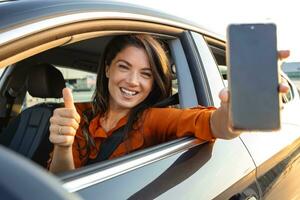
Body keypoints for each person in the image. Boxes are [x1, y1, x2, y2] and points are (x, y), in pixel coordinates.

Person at [48, 34, 289, 173]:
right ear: (108, 68)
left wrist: (238, 111)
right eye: (124, 67)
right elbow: (60, 185)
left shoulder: (153, 118)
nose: (133, 81)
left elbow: (215, 123)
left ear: (154, 82)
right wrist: (62, 144)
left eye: (146, 73)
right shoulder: (77, 114)